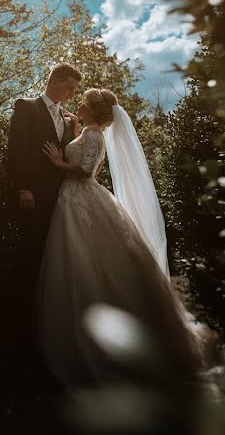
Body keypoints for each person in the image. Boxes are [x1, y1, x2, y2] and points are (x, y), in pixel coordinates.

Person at [36, 88, 208, 392]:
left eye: (84, 104)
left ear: (93, 110)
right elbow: (85, 151)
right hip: (75, 199)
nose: (79, 105)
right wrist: (75, 127)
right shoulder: (88, 131)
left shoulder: (96, 136)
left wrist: (57, 162)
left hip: (81, 198)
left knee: (89, 259)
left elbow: (87, 170)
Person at [6, 62, 85, 371]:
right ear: (55, 81)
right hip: (34, 196)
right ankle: (27, 327)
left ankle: (52, 321)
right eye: (69, 86)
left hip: (61, 198)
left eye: (75, 89)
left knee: (54, 256)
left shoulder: (68, 118)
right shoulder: (26, 106)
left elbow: (68, 154)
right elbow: (17, 149)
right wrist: (23, 188)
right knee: (32, 253)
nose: (71, 93)